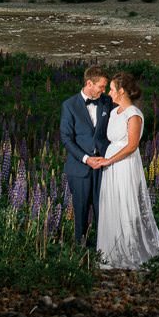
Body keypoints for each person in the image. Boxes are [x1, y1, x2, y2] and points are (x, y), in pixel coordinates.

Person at [92, 70, 159, 269]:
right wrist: (103, 158)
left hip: (124, 165)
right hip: (111, 163)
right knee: (112, 203)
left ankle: (131, 249)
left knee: (126, 203)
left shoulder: (134, 114)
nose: (109, 93)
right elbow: (112, 140)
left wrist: (110, 160)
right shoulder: (115, 112)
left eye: (113, 89)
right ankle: (111, 253)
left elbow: (131, 146)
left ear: (122, 91)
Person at [60, 64, 112, 247]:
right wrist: (86, 159)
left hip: (105, 167)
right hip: (80, 168)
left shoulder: (107, 101)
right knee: (80, 212)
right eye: (101, 86)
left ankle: (102, 252)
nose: (104, 90)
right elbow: (66, 138)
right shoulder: (69, 105)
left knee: (104, 212)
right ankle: (80, 252)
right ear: (89, 83)